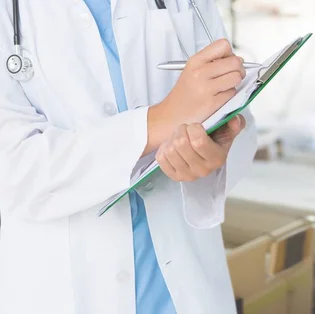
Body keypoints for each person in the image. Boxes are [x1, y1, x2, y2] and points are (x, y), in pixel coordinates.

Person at [0, 1, 258, 313]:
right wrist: (160, 120)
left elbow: (231, 101)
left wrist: (219, 145)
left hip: (184, 292)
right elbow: (14, 171)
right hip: (62, 292)